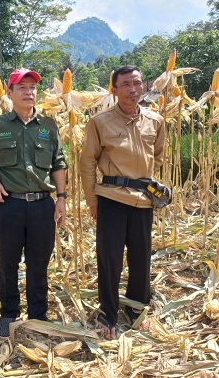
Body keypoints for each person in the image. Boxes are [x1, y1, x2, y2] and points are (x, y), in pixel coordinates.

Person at [0, 68, 67, 338]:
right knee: (8, 262)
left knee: (39, 263)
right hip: (9, 205)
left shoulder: (49, 126)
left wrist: (61, 198)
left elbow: (59, 164)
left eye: (33, 88)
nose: (29, 93)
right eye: (22, 88)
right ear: (10, 93)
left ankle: (38, 315)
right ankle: (8, 314)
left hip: (42, 205)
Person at [79, 65, 166, 340]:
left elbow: (159, 156)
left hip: (143, 200)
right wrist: (92, 200)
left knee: (141, 258)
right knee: (110, 258)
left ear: (144, 87)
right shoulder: (100, 122)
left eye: (137, 83)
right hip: (112, 198)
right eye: (125, 84)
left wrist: (147, 185)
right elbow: (87, 163)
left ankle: (136, 310)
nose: (132, 89)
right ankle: (108, 312)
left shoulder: (155, 120)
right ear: (114, 90)